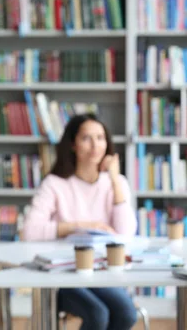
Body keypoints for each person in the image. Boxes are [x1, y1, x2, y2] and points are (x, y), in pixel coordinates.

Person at [22, 113, 138, 330]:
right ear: (73, 144)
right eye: (86, 138)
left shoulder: (116, 183)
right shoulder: (55, 184)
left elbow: (125, 233)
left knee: (127, 314)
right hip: (64, 276)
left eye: (100, 137)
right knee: (98, 314)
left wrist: (114, 179)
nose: (95, 145)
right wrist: (83, 226)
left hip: (102, 273)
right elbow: (29, 231)